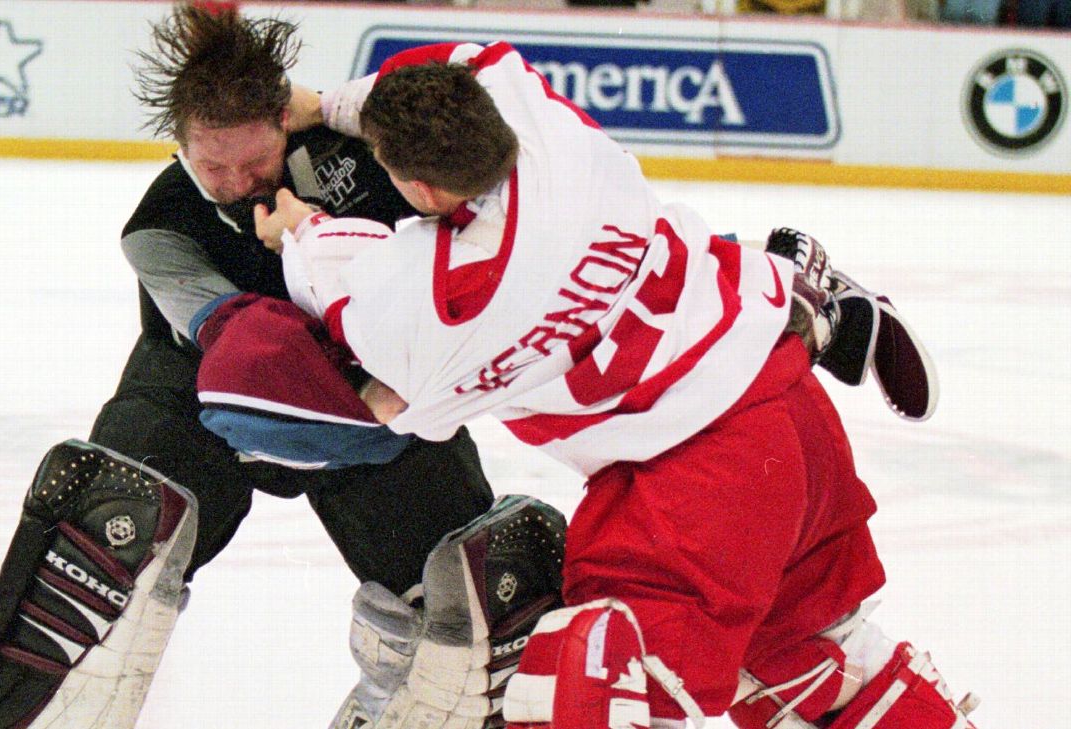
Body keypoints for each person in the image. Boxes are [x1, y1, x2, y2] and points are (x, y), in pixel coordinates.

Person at [253, 42, 976, 728]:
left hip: (699, 485)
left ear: (418, 187)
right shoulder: (537, 117)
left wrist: (298, 232)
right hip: (784, 400)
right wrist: (322, 104)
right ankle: (797, 295)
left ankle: (800, 297)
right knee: (808, 658)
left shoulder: (447, 298)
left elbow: (390, 394)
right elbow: (455, 63)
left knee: (587, 680)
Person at [0, 8, 496, 728]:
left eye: (253, 162)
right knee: (103, 523)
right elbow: (252, 352)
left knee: (470, 589)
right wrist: (320, 244)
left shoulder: (365, 152)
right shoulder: (157, 228)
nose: (234, 182)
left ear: (285, 122)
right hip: (204, 389)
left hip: (369, 386)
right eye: (211, 164)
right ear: (181, 145)